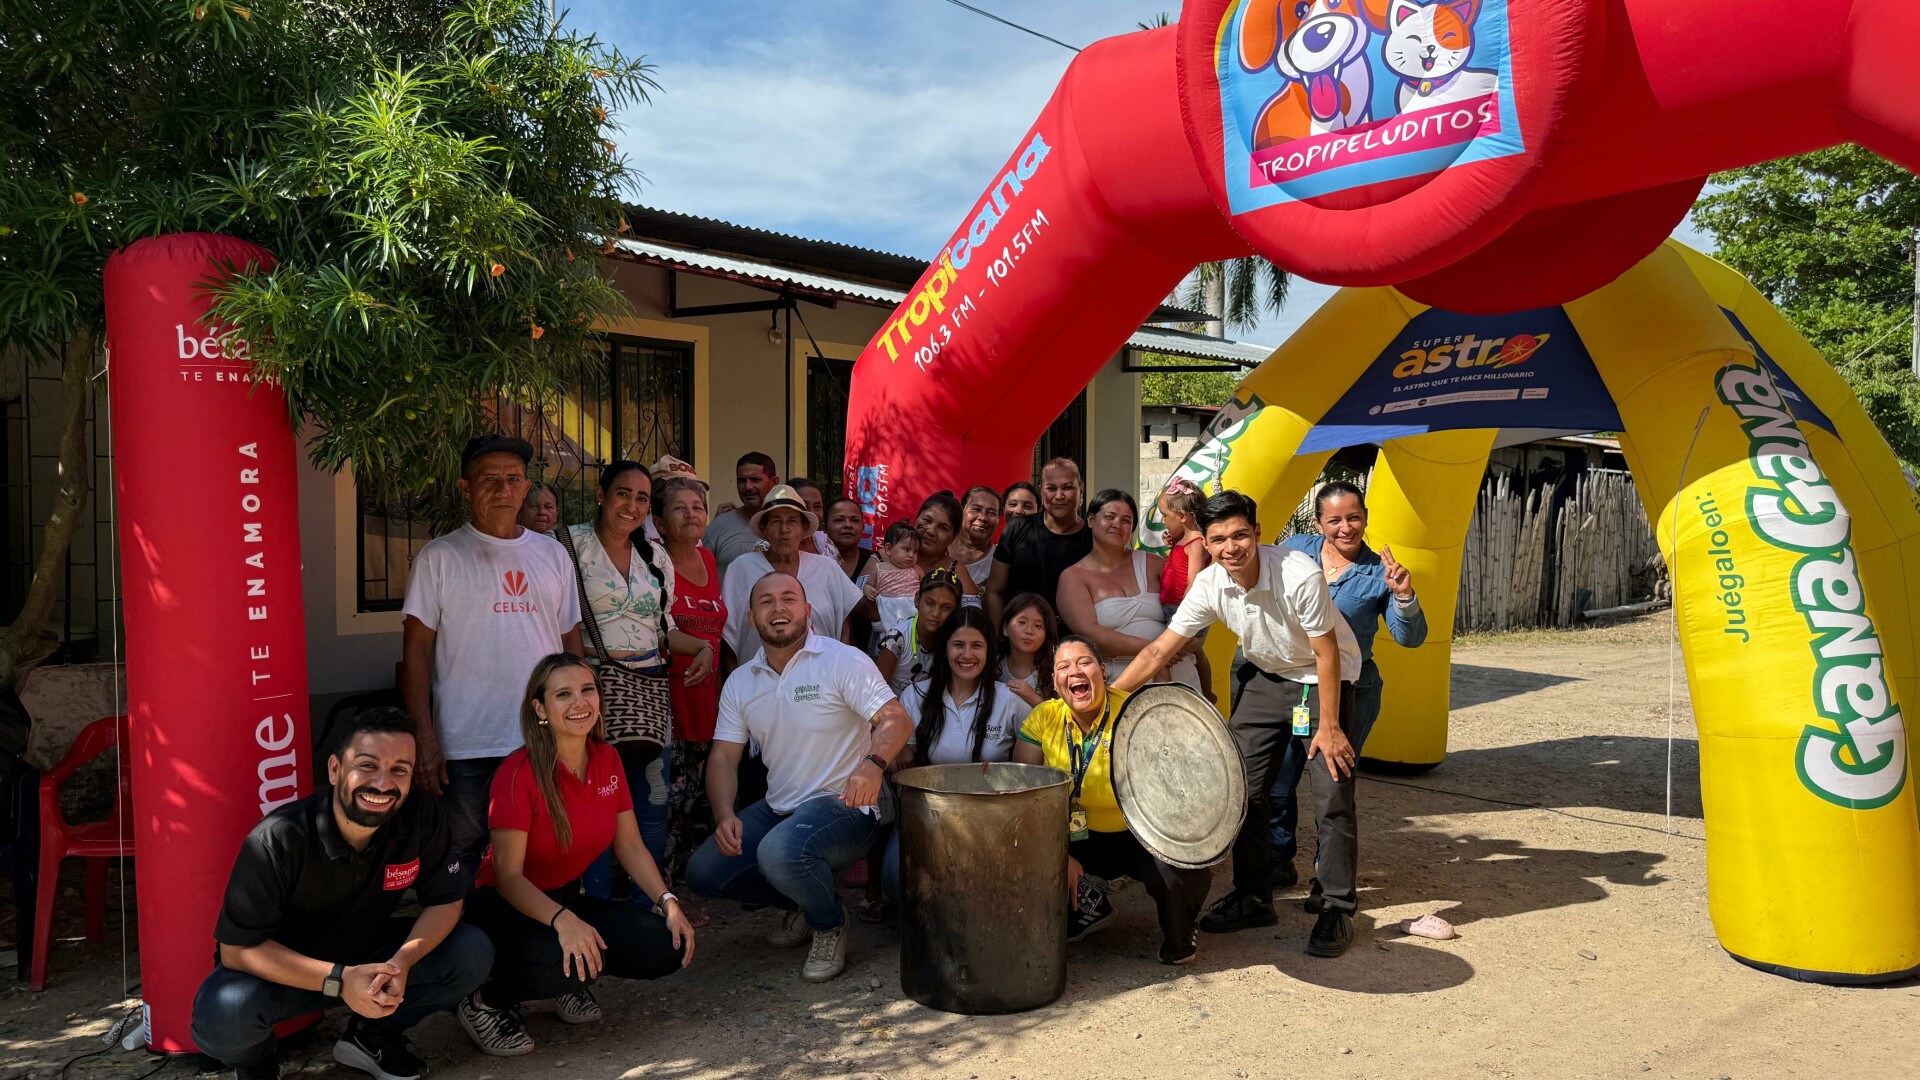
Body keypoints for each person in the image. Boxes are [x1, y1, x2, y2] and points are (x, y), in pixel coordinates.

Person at [1109, 491, 1363, 958]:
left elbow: (1326, 653)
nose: (1231, 547)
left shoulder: (1299, 574)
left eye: (1240, 535)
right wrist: (1109, 701)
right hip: (1266, 677)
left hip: (1321, 679)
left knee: (1331, 793)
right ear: (1205, 543)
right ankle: (1254, 895)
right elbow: (1160, 650)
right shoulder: (1209, 584)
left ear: (1257, 533)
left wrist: (1330, 726)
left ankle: (1336, 907)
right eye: (1220, 539)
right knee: (1242, 789)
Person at [193, 708, 492, 1080]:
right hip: (286, 973)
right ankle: (258, 1063)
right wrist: (339, 979)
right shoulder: (278, 838)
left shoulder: (422, 815)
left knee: (471, 951)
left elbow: (446, 902)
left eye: (400, 770)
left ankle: (372, 1037)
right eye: (367, 766)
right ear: (335, 769)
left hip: (371, 959)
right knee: (223, 1014)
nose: (383, 783)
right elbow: (237, 950)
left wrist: (402, 963)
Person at [458, 655, 696, 1055]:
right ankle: (484, 1001)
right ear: (540, 708)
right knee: (576, 963)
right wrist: (564, 922)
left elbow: (629, 844)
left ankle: (565, 975)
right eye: (563, 694)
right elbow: (508, 877)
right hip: (502, 907)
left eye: (587, 690)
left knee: (664, 947)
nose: (579, 702)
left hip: (565, 897)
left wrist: (668, 902)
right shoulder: (517, 773)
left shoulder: (608, 758)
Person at [687, 572, 913, 982]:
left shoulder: (842, 660)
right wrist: (724, 814)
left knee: (779, 853)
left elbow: (896, 719)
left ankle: (829, 923)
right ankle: (804, 904)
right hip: (780, 809)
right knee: (704, 871)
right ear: (751, 618)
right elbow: (722, 757)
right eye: (766, 601)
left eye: (789, 598)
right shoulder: (741, 681)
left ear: (807, 611)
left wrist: (872, 764)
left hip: (847, 807)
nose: (778, 608)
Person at [402, 434, 582, 886]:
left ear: (526, 488)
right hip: (467, 743)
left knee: (544, 850)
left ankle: (536, 930)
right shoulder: (439, 558)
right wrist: (423, 736)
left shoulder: (552, 554)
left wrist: (578, 722)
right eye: (489, 481)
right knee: (460, 857)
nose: (503, 490)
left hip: (542, 738)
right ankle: (461, 931)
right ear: (466, 488)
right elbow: (415, 652)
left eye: (513, 480)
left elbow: (569, 644)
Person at [1013, 638, 1212, 966]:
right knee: (1025, 855)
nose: (1075, 671)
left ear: (1103, 671)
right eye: (1063, 667)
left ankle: (1182, 926)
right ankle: (1091, 907)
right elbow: (1022, 794)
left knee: (1178, 872)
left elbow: (1176, 787)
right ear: (1055, 683)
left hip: (1139, 832)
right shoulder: (1043, 718)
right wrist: (1056, 854)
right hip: (1072, 833)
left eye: (1084, 662)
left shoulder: (1136, 712)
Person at [559, 461, 716, 878]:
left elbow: (664, 629)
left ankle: (650, 902)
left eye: (642, 498)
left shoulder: (654, 555)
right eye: (623, 494)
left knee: (651, 799)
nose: (632, 506)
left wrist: (702, 646)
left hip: (648, 689)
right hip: (589, 690)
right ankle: (596, 901)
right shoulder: (566, 546)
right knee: (591, 800)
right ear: (601, 495)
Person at [1271, 481, 1426, 898]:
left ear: (1366, 519)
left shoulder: (1379, 572)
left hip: (1352, 690)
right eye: (1335, 519)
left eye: (1354, 517)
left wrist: (1404, 595)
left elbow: (1410, 638)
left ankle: (1328, 878)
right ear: (1318, 522)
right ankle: (1277, 861)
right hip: (1294, 685)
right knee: (1277, 780)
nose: (1345, 527)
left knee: (1333, 788)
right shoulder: (1296, 551)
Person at [882, 607, 1030, 899]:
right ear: (945, 648)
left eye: (977, 646)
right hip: (930, 815)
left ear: (989, 650)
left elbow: (1042, 739)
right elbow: (900, 761)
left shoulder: (1008, 699)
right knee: (895, 881)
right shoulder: (916, 695)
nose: (967, 655)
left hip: (991, 817)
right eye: (958, 645)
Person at [655, 474, 728, 881]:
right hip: (667, 698)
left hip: (706, 698)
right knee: (664, 798)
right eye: (679, 508)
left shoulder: (709, 560)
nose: (691, 514)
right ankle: (655, 887)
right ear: (659, 522)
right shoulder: (652, 563)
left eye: (698, 507)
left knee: (687, 799)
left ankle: (671, 878)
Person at [1057, 490, 1201, 691]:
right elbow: (1091, 635)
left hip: (1179, 673)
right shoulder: (1073, 577)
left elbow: (1195, 600)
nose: (1117, 524)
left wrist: (1193, 641)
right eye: (1109, 517)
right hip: (1121, 681)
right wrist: (1159, 649)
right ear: (1090, 520)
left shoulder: (1154, 564)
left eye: (1126, 520)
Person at [722, 485, 863, 662]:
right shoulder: (741, 568)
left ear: (804, 528)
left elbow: (845, 627)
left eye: (792, 521)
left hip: (822, 674)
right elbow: (727, 636)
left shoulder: (826, 568)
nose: (784, 529)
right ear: (763, 528)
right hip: (758, 674)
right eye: (776, 521)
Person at [987, 459, 1092, 625]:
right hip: (1020, 635)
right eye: (1051, 488)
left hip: (1077, 636)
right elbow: (995, 591)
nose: (1059, 496)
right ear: (1042, 491)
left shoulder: (1093, 538)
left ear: (1081, 489)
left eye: (1067, 487)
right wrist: (999, 634)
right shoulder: (1017, 529)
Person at [1157, 479, 1216, 702]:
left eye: (1165, 516)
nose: (1163, 522)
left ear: (1182, 517)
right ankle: (1206, 693)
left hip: (1182, 609)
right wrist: (1172, 544)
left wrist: (1185, 613)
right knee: (1196, 652)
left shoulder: (1197, 543)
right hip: (1173, 607)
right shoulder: (1184, 540)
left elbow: (1194, 581)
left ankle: (1197, 694)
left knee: (1168, 655)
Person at [873, 570, 962, 692]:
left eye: (946, 607)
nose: (935, 613)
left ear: (956, 610)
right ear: (917, 599)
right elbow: (877, 691)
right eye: (930, 603)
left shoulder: (954, 640)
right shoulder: (896, 639)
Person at [702, 452, 779, 583]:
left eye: (755, 480)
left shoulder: (786, 527)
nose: (748, 487)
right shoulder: (720, 526)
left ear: (774, 482)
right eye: (742, 481)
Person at [824, 496, 878, 652]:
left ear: (863, 527)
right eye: (839, 520)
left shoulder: (876, 563)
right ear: (825, 527)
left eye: (854, 520)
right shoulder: (816, 564)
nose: (848, 525)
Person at [910, 490, 979, 599]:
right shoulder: (885, 557)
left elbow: (971, 609)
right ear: (916, 519)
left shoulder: (956, 572)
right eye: (927, 521)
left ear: (953, 537)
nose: (931, 531)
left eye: (943, 528)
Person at [998, 592, 1059, 707]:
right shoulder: (994, 668)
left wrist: (1034, 699)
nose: (1029, 631)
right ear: (1005, 628)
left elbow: (1062, 715)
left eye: (1038, 625)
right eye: (1022, 622)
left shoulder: (1055, 672)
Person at [865, 521, 925, 630]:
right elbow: (869, 584)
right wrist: (868, 589)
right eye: (907, 549)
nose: (911, 555)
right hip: (886, 616)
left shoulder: (917, 570)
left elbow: (926, 590)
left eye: (915, 551)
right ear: (889, 549)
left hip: (912, 619)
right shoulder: (880, 568)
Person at [950, 485, 1002, 588]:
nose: (983, 517)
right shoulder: (939, 548)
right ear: (961, 510)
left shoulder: (1001, 562)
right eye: (976, 509)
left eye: (991, 513)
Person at [788, 477, 833, 555]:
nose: (812, 512)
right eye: (804, 506)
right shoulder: (771, 547)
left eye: (817, 506)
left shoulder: (825, 543)